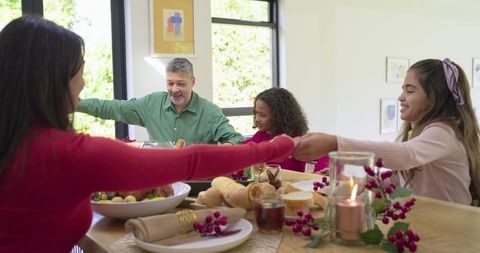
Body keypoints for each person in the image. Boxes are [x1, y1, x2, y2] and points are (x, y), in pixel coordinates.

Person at [0, 16, 296, 252]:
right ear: (52, 81)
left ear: (193, 82)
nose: (84, 82)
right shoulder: (67, 153)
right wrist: (277, 146)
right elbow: (190, 161)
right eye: (79, 72)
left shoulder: (19, 141)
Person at [293, 58, 480, 206]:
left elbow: (407, 155)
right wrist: (357, 180)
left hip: (452, 228)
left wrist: (335, 143)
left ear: (432, 98)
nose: (401, 97)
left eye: (410, 91)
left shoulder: (444, 132)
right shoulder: (423, 133)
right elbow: (400, 182)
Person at [76, 57, 244, 145]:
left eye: (181, 84)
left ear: (193, 82)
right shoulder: (151, 104)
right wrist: (74, 104)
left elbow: (236, 139)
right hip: (161, 182)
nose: (175, 89)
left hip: (198, 185)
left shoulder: (209, 111)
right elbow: (112, 108)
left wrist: (225, 149)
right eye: (170, 83)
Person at [242, 87, 328, 172]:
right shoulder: (261, 136)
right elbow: (241, 151)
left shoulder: (299, 142)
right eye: (256, 112)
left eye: (262, 115)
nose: (257, 119)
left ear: (279, 117)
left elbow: (322, 166)